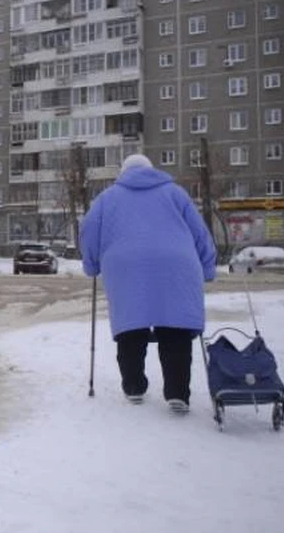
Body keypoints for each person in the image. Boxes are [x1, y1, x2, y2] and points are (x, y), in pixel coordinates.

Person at [79, 154, 216, 413]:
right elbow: (200, 233)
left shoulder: (107, 199)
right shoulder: (175, 193)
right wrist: (207, 266)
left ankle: (134, 386)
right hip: (176, 265)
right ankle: (177, 393)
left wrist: (91, 264)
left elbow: (88, 230)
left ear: (123, 172)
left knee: (131, 326)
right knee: (175, 326)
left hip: (125, 266)